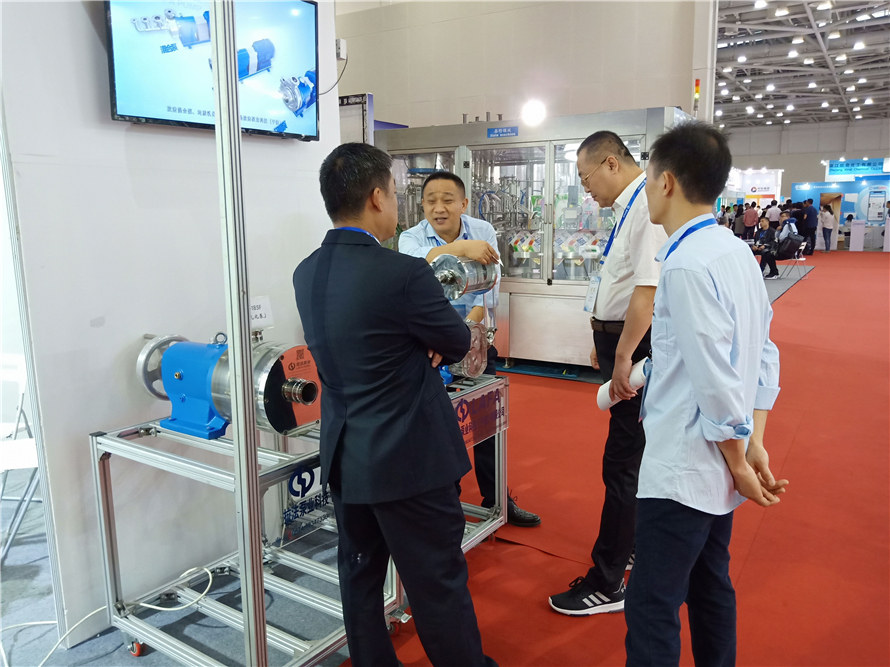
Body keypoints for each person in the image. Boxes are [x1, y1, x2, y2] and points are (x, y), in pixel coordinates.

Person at [292, 143, 497, 667]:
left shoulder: (306, 272)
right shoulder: (402, 273)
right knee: (436, 582)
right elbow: (456, 341)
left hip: (346, 454)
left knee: (360, 578)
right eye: (397, 193)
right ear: (377, 197)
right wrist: (424, 341)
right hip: (410, 460)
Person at [624, 121, 789, 667]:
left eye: (648, 179)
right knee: (710, 584)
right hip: (720, 457)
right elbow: (763, 351)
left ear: (667, 181)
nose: (647, 191)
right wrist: (753, 442)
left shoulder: (686, 264)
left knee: (652, 603)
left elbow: (714, 377)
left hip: (686, 465)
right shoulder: (735, 251)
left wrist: (741, 460)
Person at [548, 130, 667, 616]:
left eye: (585, 177)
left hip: (634, 347)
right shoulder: (628, 207)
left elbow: (647, 291)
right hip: (621, 341)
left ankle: (608, 579)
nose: (585, 188)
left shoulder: (646, 209)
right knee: (628, 455)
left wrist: (623, 356)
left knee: (622, 462)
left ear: (611, 163)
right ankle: (629, 546)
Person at [398, 170, 541, 528]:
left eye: (448, 200)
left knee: (487, 422)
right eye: (431, 201)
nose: (439, 208)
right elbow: (414, 264)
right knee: (439, 428)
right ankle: (446, 503)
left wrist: (464, 333)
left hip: (474, 340)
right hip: (430, 350)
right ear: (422, 205)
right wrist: (461, 249)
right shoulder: (410, 237)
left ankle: (498, 499)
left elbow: (489, 287)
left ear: (463, 203)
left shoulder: (483, 231)